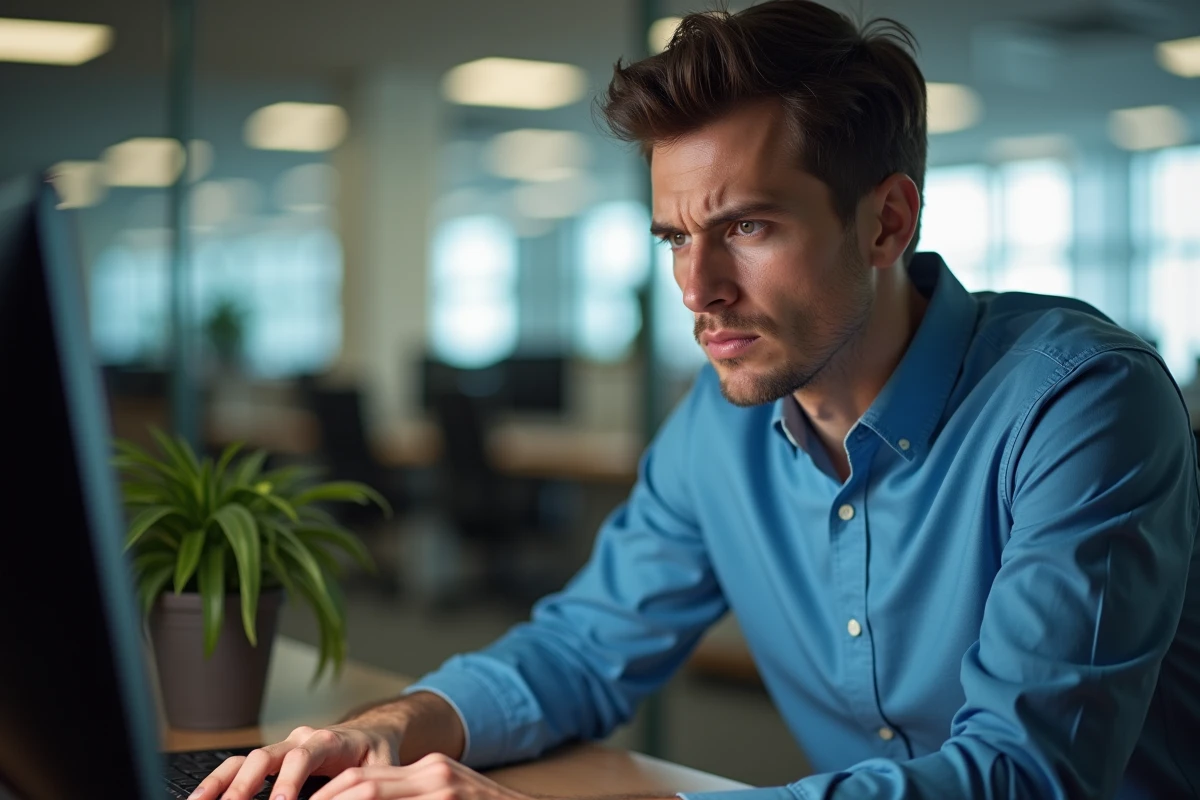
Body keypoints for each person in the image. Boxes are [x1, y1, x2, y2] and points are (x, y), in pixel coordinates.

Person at [197, 2, 1200, 799]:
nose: (697, 287)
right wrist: (396, 725)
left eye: (747, 227)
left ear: (887, 222)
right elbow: (584, 647)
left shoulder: (1081, 405)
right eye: (676, 237)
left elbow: (1022, 774)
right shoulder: (722, 422)